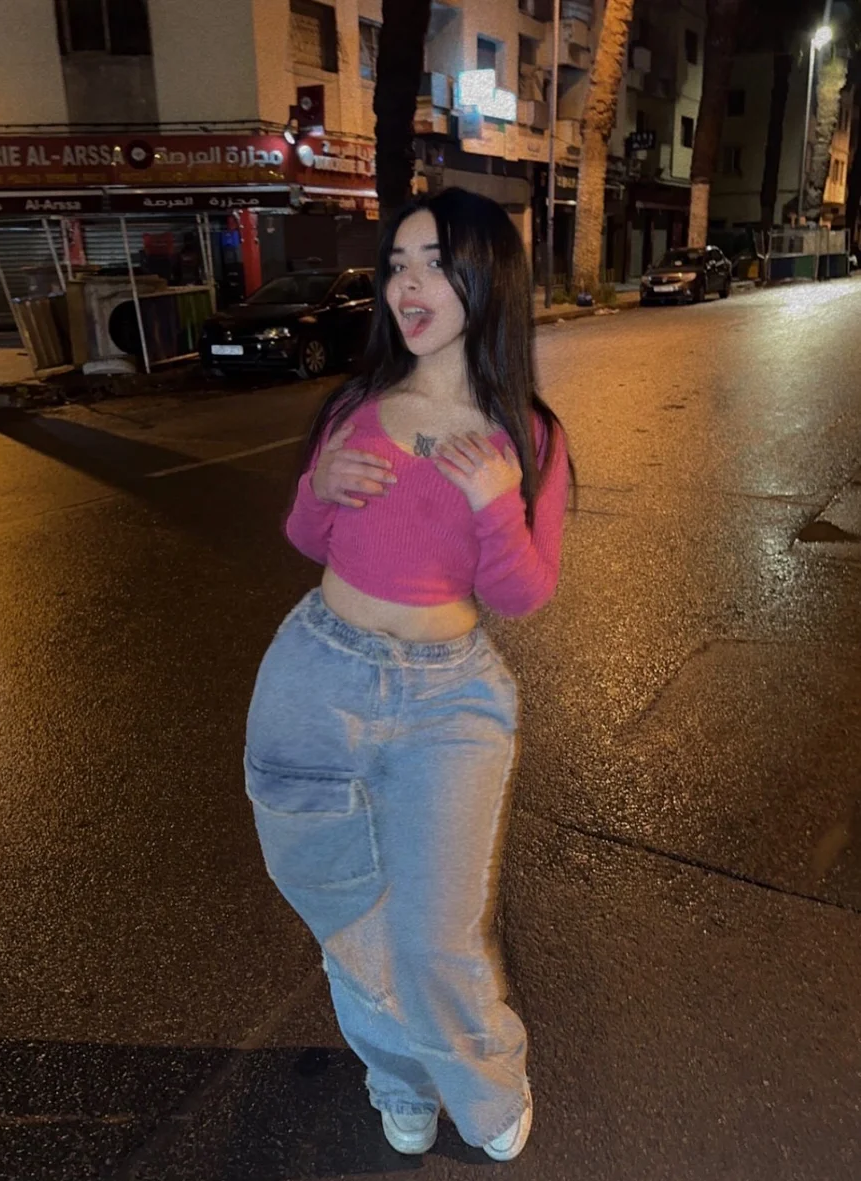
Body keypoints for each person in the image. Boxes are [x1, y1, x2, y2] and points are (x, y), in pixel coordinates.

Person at [244, 187, 569, 1161]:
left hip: (448, 703)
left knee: (436, 935)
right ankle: (398, 1077)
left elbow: (521, 593)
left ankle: (485, 1078)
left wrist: (497, 504)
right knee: (351, 920)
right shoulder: (355, 407)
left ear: (485, 279)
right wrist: (318, 486)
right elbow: (308, 535)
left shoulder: (528, 436)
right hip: (316, 675)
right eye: (397, 264)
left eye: (433, 264)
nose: (407, 285)